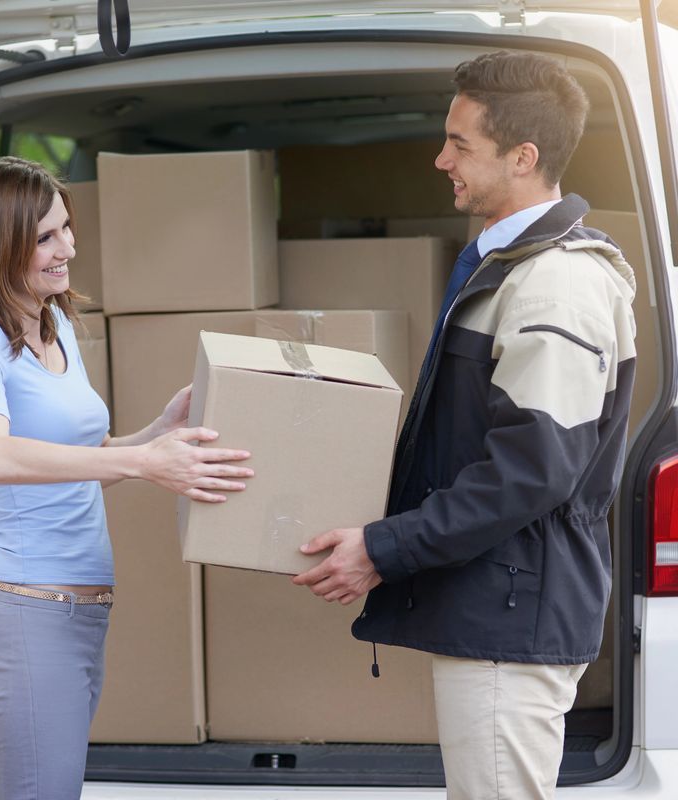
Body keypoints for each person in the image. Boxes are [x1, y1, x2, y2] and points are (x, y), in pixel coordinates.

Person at [293, 51, 637, 799]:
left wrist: (384, 550)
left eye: (460, 144)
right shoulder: (511, 266)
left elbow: (531, 470)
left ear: (523, 157)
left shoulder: (557, 283)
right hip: (497, 607)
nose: (439, 158)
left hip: (510, 625)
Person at [0, 156, 254, 800]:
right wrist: (143, 462)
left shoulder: (52, 327)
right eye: (46, 237)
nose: (70, 248)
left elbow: (76, 464)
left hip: (80, 616)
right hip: (31, 614)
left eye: (67, 229)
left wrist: (153, 435)